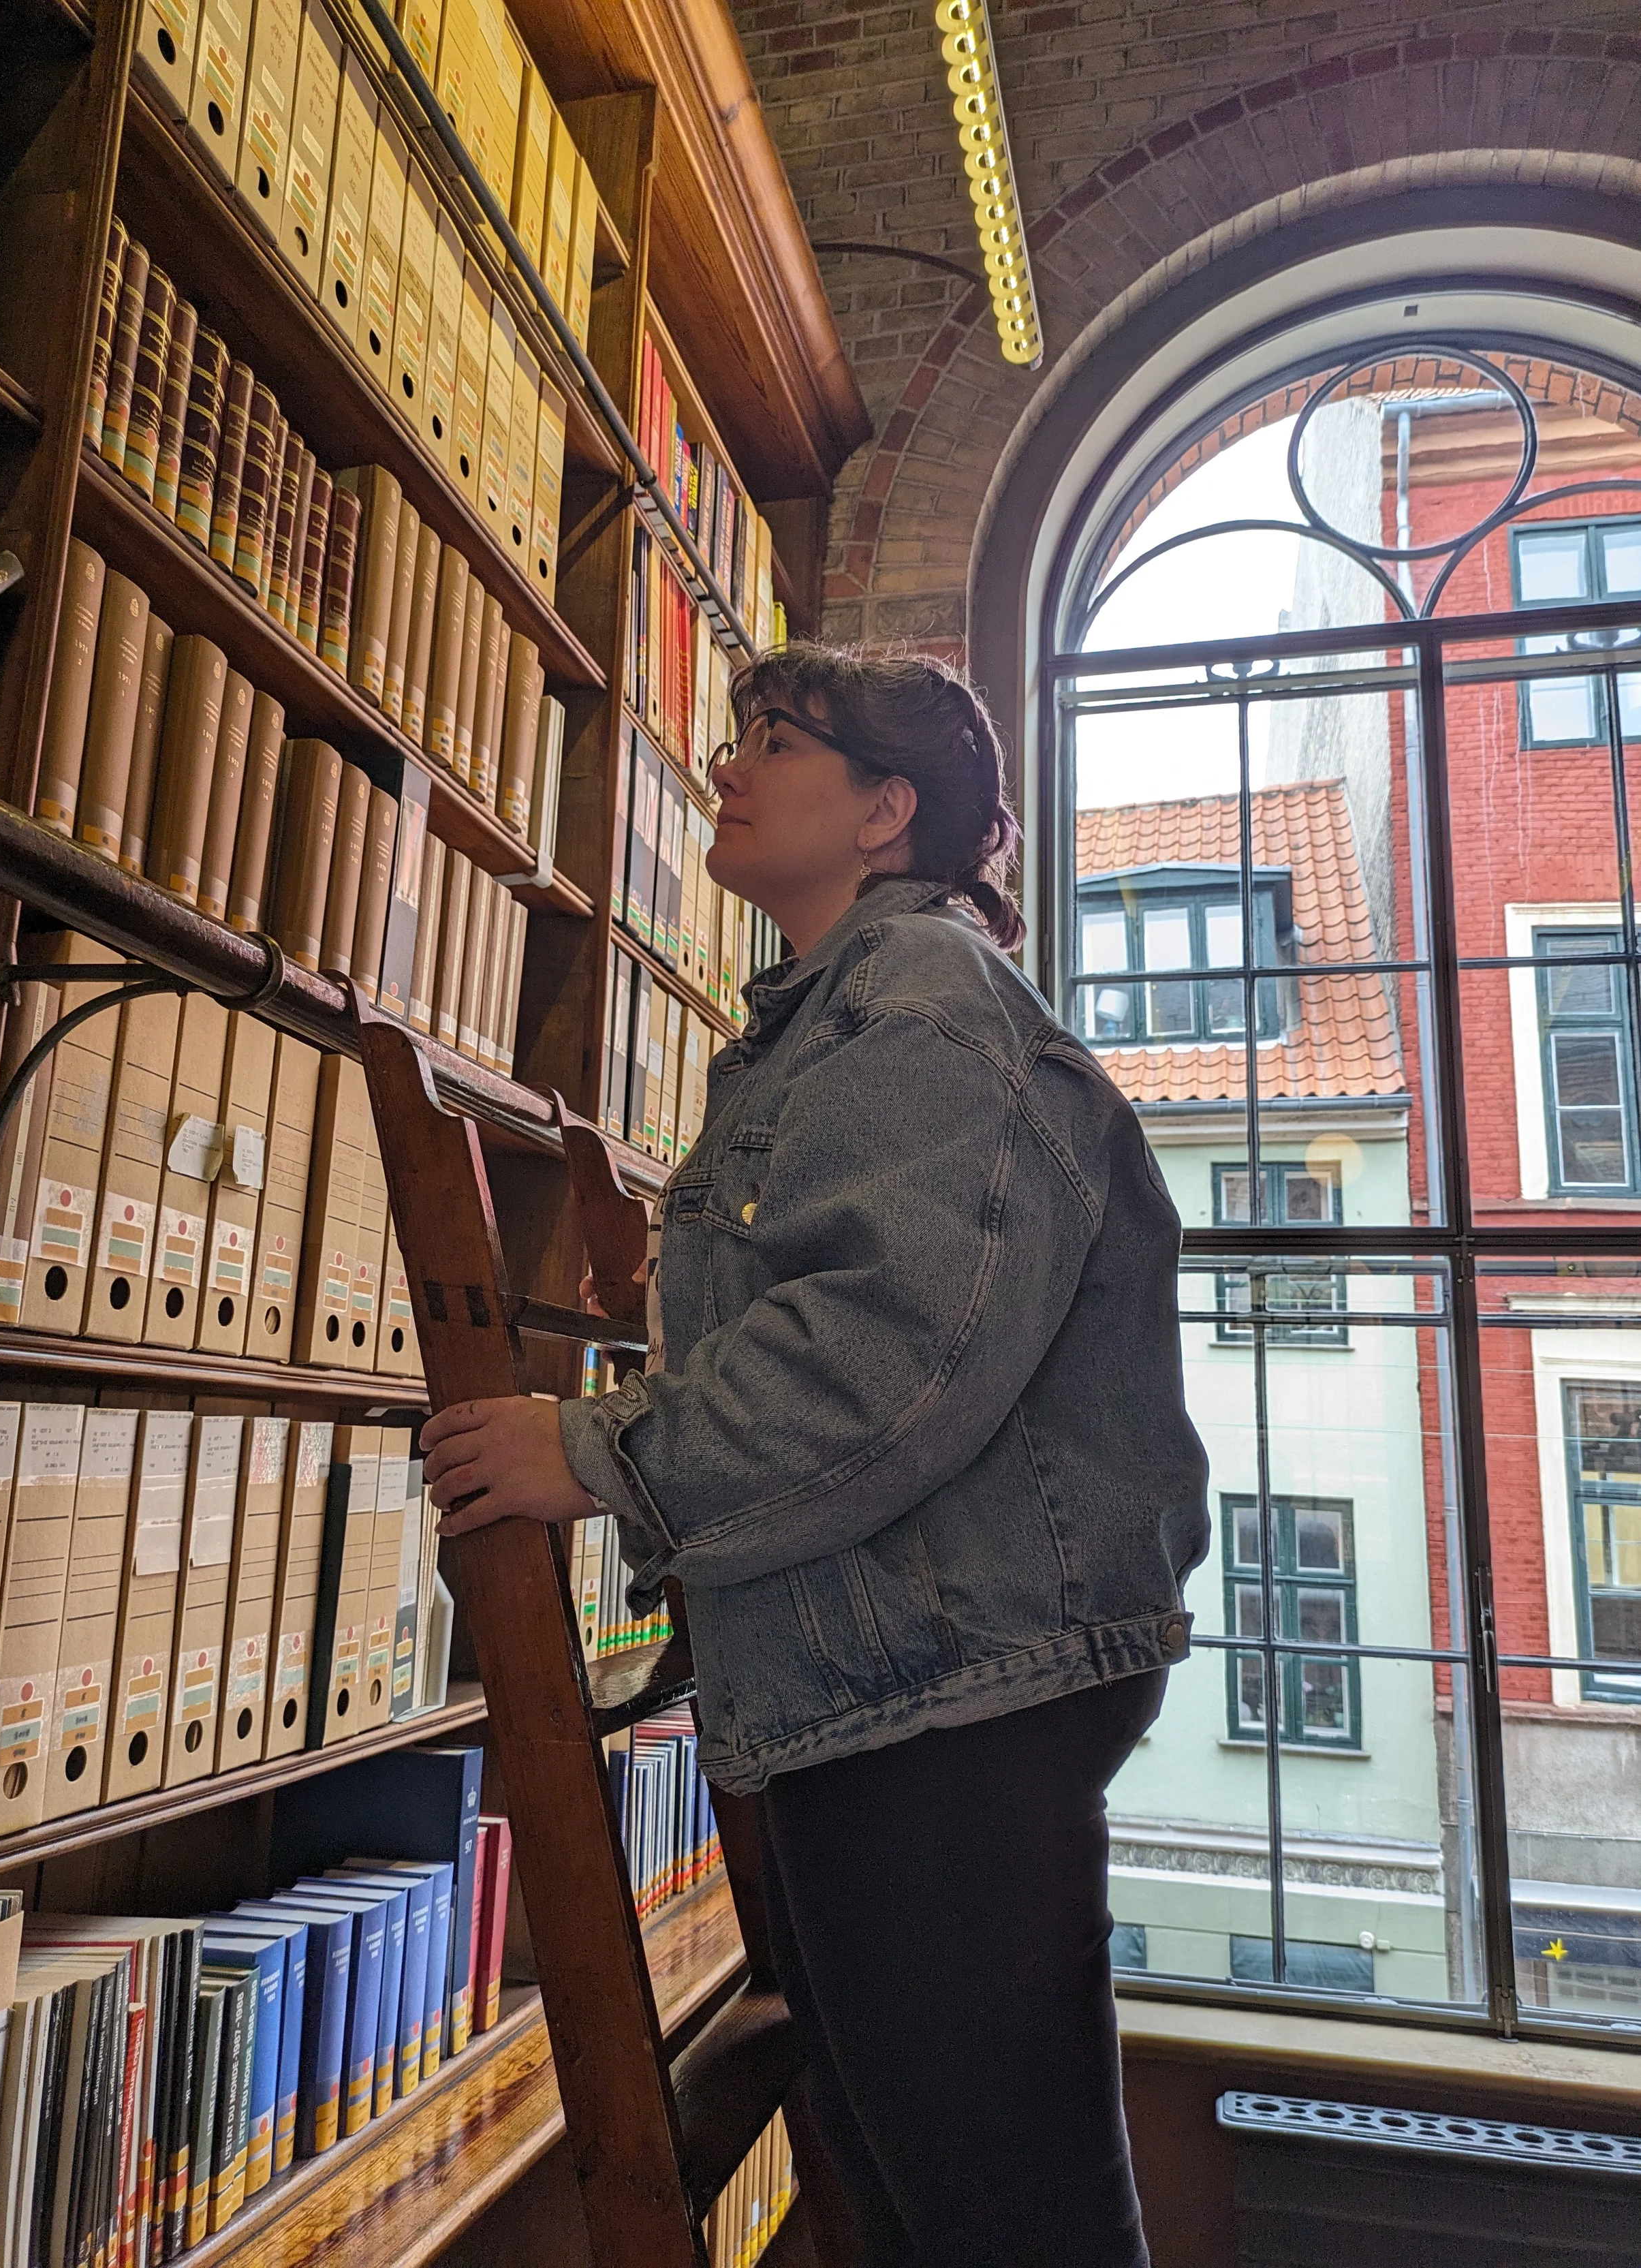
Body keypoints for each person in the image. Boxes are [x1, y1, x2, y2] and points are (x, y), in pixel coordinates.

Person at [422, 644, 1210, 2268]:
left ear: (887, 810)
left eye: (774, 741)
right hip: (899, 1690)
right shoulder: (837, 1016)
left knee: (999, 2221)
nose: (728, 765)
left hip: (946, 1702)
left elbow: (885, 1351)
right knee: (941, 2202)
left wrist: (589, 1448)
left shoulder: (916, 1002)